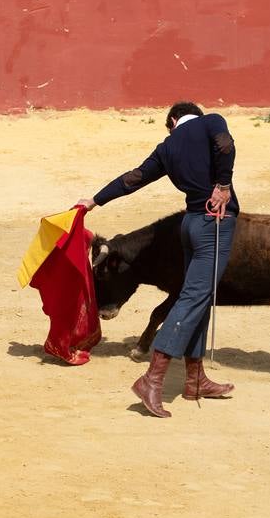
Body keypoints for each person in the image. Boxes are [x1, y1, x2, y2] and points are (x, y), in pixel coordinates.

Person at [77, 102, 238, 418]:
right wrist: (222, 184)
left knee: (199, 297)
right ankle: (151, 379)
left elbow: (133, 179)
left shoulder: (167, 146)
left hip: (190, 223)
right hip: (212, 223)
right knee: (194, 297)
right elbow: (225, 144)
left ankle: (194, 380)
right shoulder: (211, 122)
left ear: (173, 121)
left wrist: (94, 200)